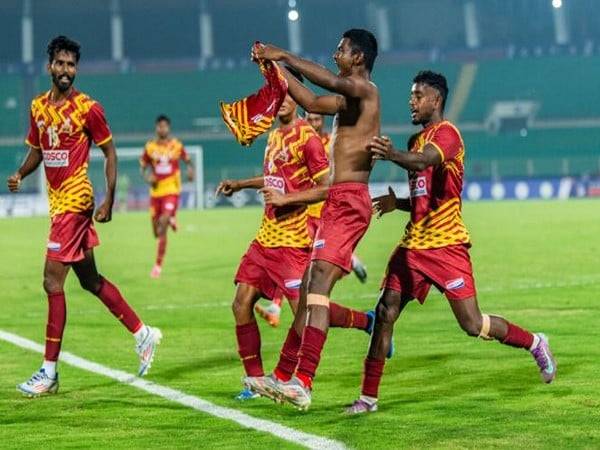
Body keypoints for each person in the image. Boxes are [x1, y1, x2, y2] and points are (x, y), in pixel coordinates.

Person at [346, 70, 557, 414]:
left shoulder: (448, 136)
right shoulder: (415, 141)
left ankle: (535, 343)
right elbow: (423, 196)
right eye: (411, 95)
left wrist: (391, 153)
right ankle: (368, 398)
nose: (411, 101)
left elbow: (426, 160)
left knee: (473, 325)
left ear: (436, 100)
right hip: (413, 246)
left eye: (418, 96)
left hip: (446, 247)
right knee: (385, 312)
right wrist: (397, 203)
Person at [7, 36, 162, 397]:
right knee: (90, 281)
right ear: (50, 67)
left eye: (71, 65)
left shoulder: (89, 108)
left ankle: (48, 372)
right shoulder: (37, 108)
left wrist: (108, 198)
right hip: (57, 203)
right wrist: (20, 173)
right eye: (60, 63)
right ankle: (144, 333)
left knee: (51, 282)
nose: (66, 70)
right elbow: (38, 151)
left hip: (76, 202)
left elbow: (110, 153)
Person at [216, 67, 373, 401]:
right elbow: (273, 179)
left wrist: (288, 199)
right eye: (279, 94)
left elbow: (326, 187)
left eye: (290, 94)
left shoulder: (308, 138)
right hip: (265, 238)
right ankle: (256, 380)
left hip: (293, 242)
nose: (284, 100)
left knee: (305, 310)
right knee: (240, 304)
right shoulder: (274, 136)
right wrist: (242, 184)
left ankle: (365, 322)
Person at [245, 28, 380, 410]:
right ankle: (284, 375)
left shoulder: (367, 91)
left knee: (317, 284)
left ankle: (303, 381)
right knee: (308, 291)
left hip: (350, 200)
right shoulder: (346, 100)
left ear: (358, 58)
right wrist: (273, 68)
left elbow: (328, 80)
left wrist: (282, 53)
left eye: (341, 49)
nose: (335, 53)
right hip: (338, 200)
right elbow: (308, 98)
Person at [254, 111, 369, 327]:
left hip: (326, 215)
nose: (314, 123)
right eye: (310, 119)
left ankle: (350, 265)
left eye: (317, 119)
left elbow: (331, 180)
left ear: (323, 121)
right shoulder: (299, 140)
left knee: (312, 273)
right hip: (304, 214)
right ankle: (277, 308)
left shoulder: (330, 143)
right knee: (291, 265)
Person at [140, 115, 194, 278]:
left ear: (168, 128)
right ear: (156, 128)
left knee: (162, 224)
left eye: (165, 126)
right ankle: (170, 218)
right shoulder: (150, 147)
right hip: (156, 192)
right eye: (159, 126)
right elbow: (143, 168)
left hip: (171, 189)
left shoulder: (176, 145)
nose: (162, 129)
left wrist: (191, 170)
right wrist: (148, 177)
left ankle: (158, 265)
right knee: (156, 232)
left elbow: (188, 161)